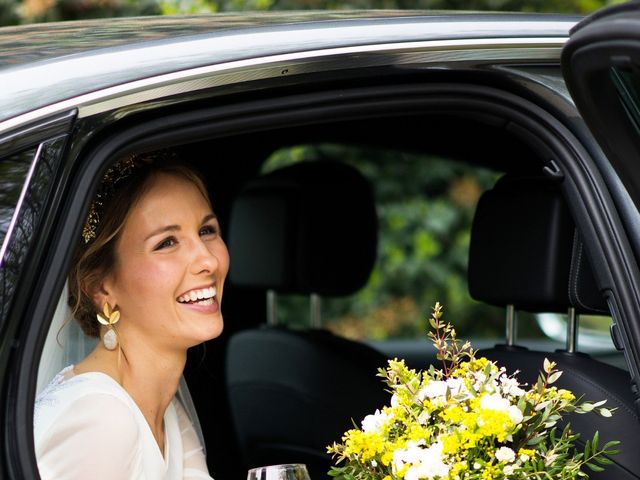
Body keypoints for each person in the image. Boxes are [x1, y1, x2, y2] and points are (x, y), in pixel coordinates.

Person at [33, 152, 228, 479]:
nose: (207, 259)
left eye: (207, 230)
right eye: (167, 242)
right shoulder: (100, 420)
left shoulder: (166, 415)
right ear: (102, 287)